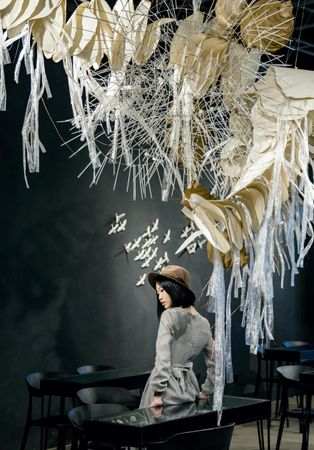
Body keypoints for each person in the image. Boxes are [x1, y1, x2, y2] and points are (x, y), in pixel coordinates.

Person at [139, 265, 215, 409]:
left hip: (166, 391)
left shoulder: (169, 315)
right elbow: (215, 362)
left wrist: (157, 393)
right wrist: (206, 391)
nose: (159, 296)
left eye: (162, 290)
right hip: (190, 390)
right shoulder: (204, 323)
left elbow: (163, 359)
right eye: (157, 293)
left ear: (174, 288)